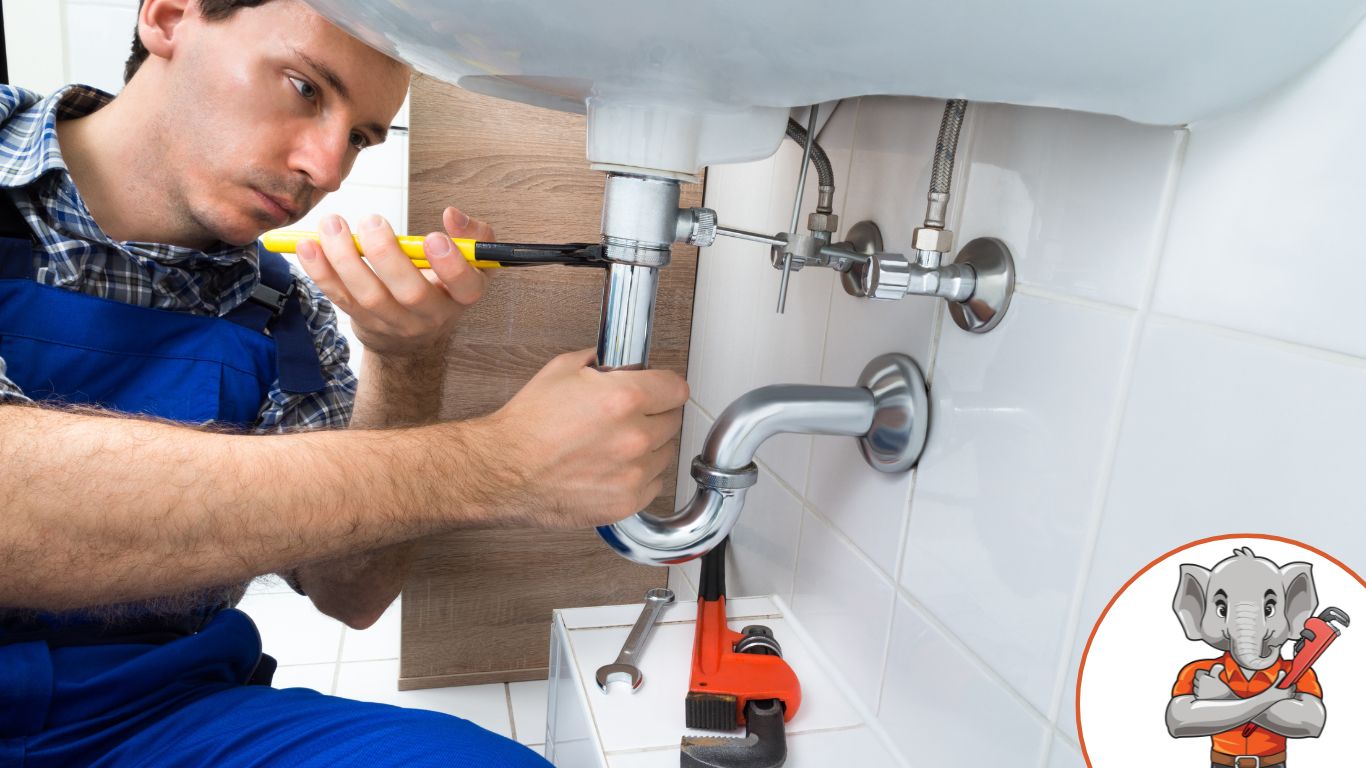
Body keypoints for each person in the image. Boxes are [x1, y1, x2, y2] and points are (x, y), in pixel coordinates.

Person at [0, 0, 688, 765]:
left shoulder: (283, 313)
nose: (327, 170)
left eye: (360, 137)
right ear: (167, 16)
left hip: (165, 717)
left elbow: (351, 592)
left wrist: (406, 355)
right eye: (303, 88)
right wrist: (502, 463)